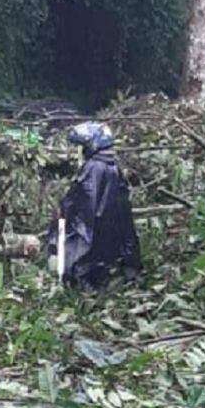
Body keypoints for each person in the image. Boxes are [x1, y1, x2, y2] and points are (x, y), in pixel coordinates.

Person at [45, 122, 142, 290]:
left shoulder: (93, 169)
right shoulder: (112, 167)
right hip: (111, 254)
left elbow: (79, 211)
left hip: (91, 257)